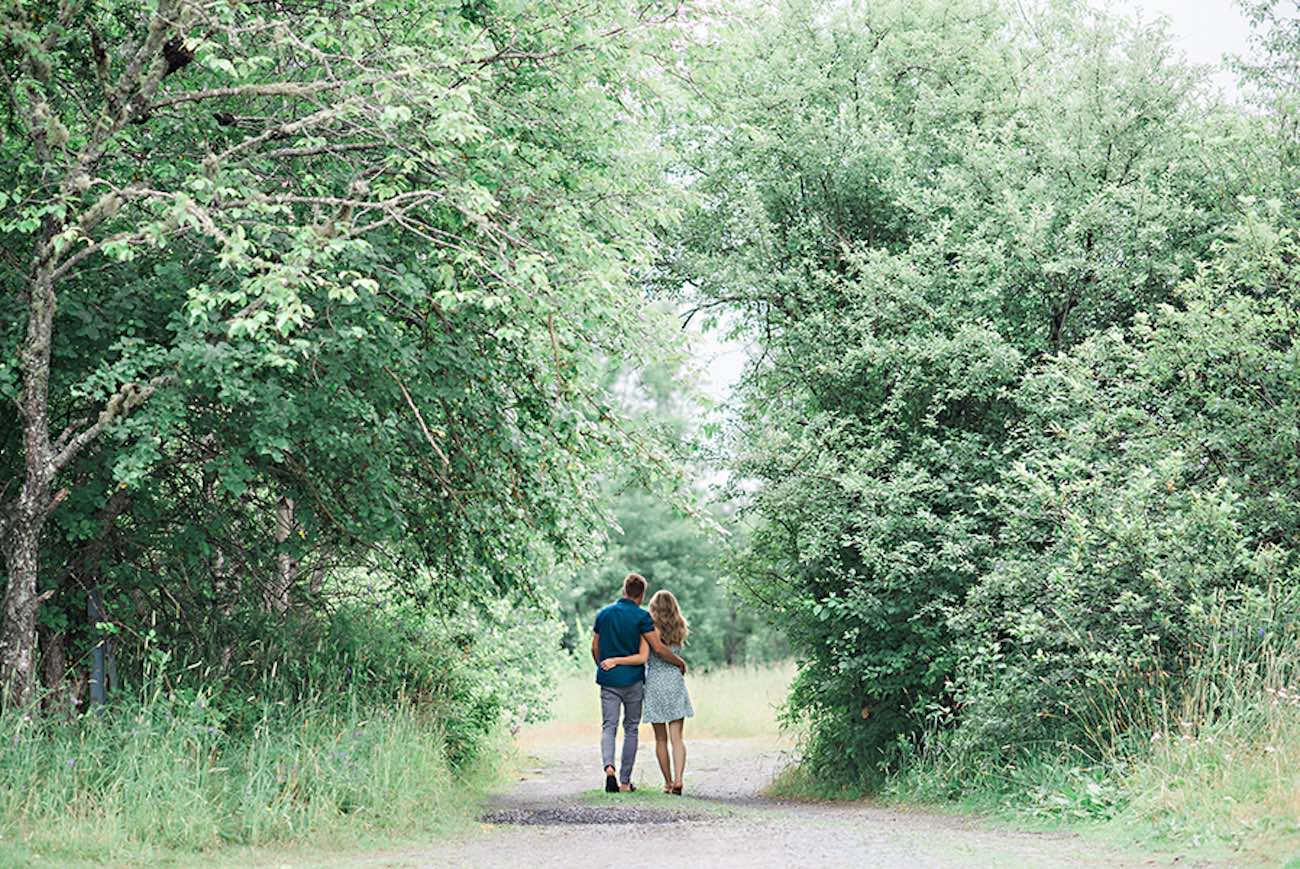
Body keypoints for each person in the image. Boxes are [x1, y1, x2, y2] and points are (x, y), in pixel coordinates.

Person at [591, 573, 686, 793]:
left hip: (611, 680)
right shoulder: (642, 618)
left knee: (609, 726)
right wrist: (680, 662)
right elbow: (658, 650)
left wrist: (603, 665)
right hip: (635, 680)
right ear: (641, 594)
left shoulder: (603, 614)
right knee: (631, 729)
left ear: (624, 589)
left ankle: (609, 769)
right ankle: (625, 782)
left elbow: (594, 647)